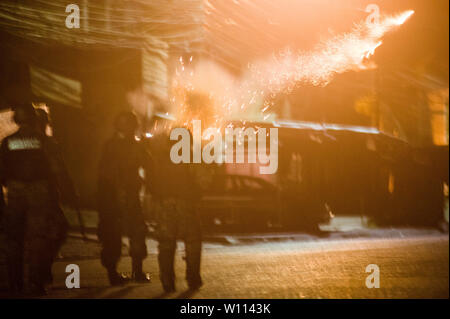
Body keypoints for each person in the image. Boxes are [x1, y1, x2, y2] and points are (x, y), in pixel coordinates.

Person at [0, 103, 67, 295]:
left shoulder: (7, 142)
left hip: (15, 194)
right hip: (39, 194)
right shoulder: (44, 142)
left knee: (14, 240)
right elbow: (57, 169)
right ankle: (35, 283)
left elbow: (2, 171)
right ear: (34, 119)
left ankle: (15, 284)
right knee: (38, 239)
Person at [97, 111, 151, 285]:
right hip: (120, 196)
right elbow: (149, 165)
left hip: (118, 196)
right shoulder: (130, 146)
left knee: (126, 233)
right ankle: (131, 273)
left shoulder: (112, 145)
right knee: (124, 233)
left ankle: (122, 273)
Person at [147, 130, 203, 293]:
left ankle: (167, 281)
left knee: (166, 244)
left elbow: (151, 182)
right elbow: (202, 182)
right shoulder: (192, 158)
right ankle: (193, 278)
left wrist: (160, 197)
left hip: (165, 206)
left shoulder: (159, 159)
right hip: (186, 206)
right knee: (193, 243)